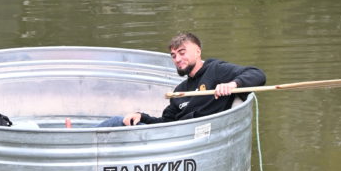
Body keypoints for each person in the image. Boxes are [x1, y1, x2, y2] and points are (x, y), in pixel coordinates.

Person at [84, 32, 265, 127]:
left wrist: (232, 84)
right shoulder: (180, 91)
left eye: (182, 53)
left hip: (196, 138)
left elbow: (257, 74)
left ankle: (78, 140)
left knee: (116, 122)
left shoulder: (215, 70)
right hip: (173, 136)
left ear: (198, 51)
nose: (177, 59)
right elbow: (166, 124)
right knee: (122, 121)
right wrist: (142, 116)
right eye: (173, 55)